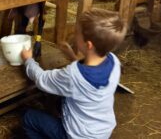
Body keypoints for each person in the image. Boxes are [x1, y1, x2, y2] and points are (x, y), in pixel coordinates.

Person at [21, 8, 127, 139]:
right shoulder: (114, 61)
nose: (75, 35)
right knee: (60, 100)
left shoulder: (73, 75)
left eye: (77, 33)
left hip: (77, 135)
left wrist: (28, 60)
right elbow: (91, 67)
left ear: (88, 45)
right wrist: (72, 55)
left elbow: (42, 79)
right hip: (102, 131)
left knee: (29, 118)